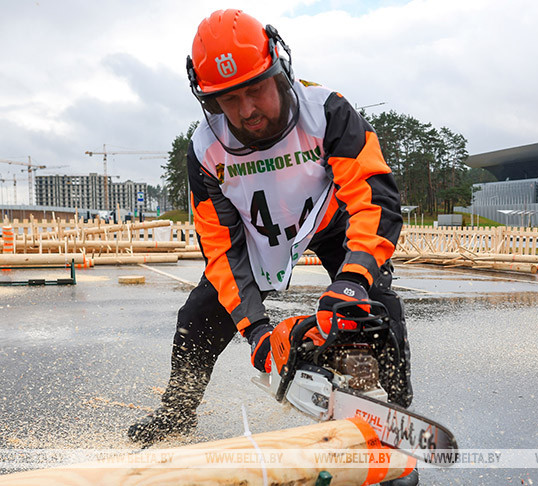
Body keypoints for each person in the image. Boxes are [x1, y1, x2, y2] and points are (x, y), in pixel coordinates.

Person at [129, 8, 413, 461]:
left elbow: (374, 198)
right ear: (208, 99)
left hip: (328, 223)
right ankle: (177, 412)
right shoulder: (205, 149)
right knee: (196, 319)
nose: (247, 111)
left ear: (280, 68)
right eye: (228, 99)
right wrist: (258, 334)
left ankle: (396, 419)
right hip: (255, 236)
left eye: (256, 89)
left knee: (374, 306)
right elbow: (220, 249)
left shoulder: (328, 112)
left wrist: (353, 279)